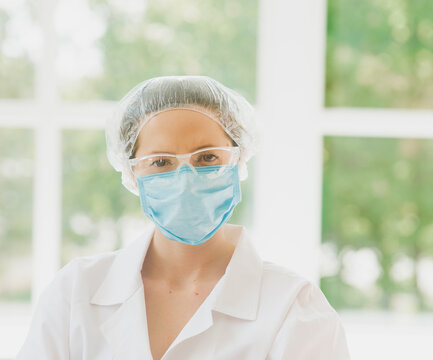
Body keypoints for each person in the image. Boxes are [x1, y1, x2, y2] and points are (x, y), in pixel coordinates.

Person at [17, 75, 351, 359]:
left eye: (207, 158)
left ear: (239, 159)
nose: (186, 179)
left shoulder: (294, 308)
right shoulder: (76, 292)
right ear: (132, 174)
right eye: (161, 162)